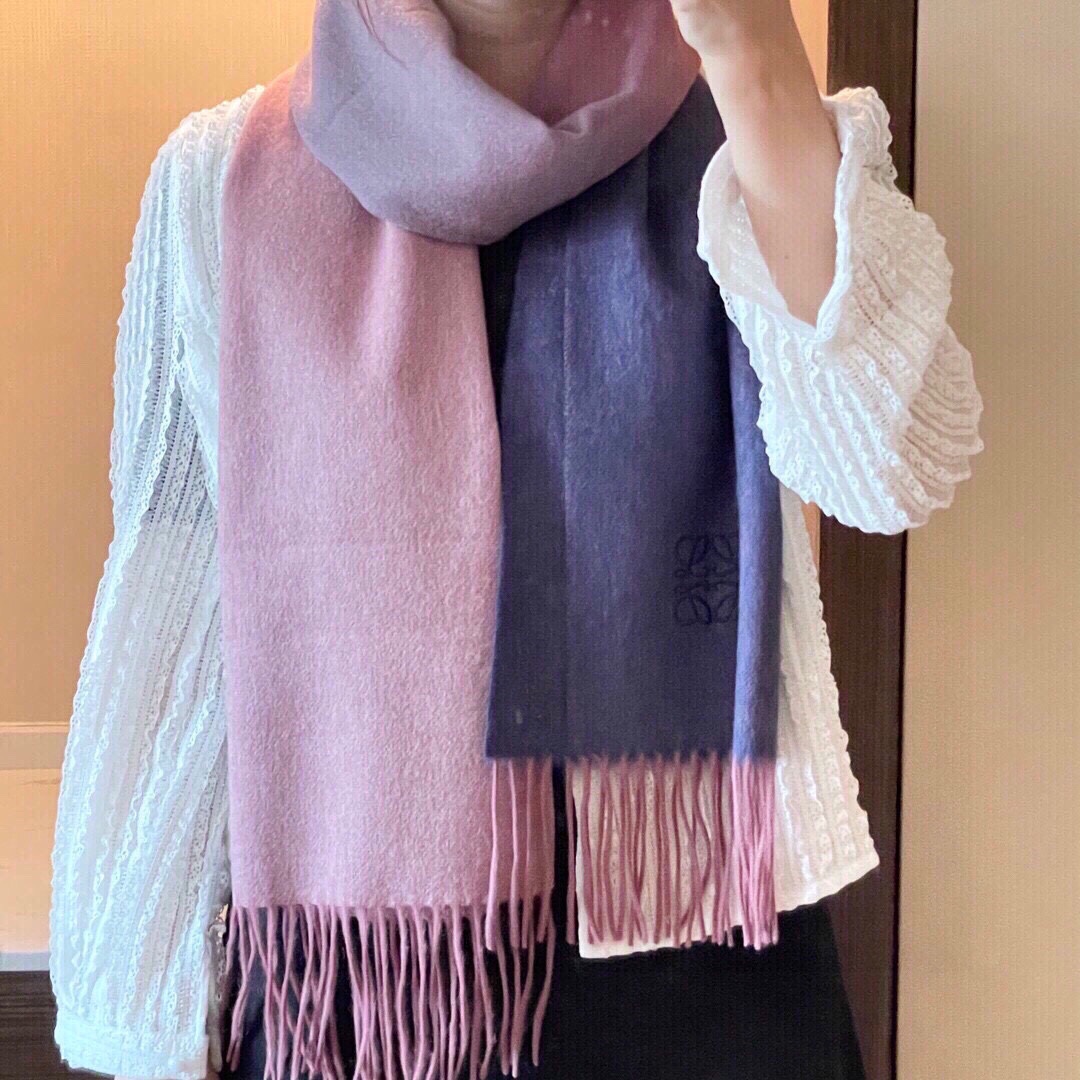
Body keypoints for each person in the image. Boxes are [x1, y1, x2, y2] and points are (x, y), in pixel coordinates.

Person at [49, 2, 983, 1079]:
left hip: (699, 960)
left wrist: (754, 53)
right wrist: (148, 1010)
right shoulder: (219, 182)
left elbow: (890, 472)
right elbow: (174, 626)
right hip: (364, 994)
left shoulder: (738, 144)